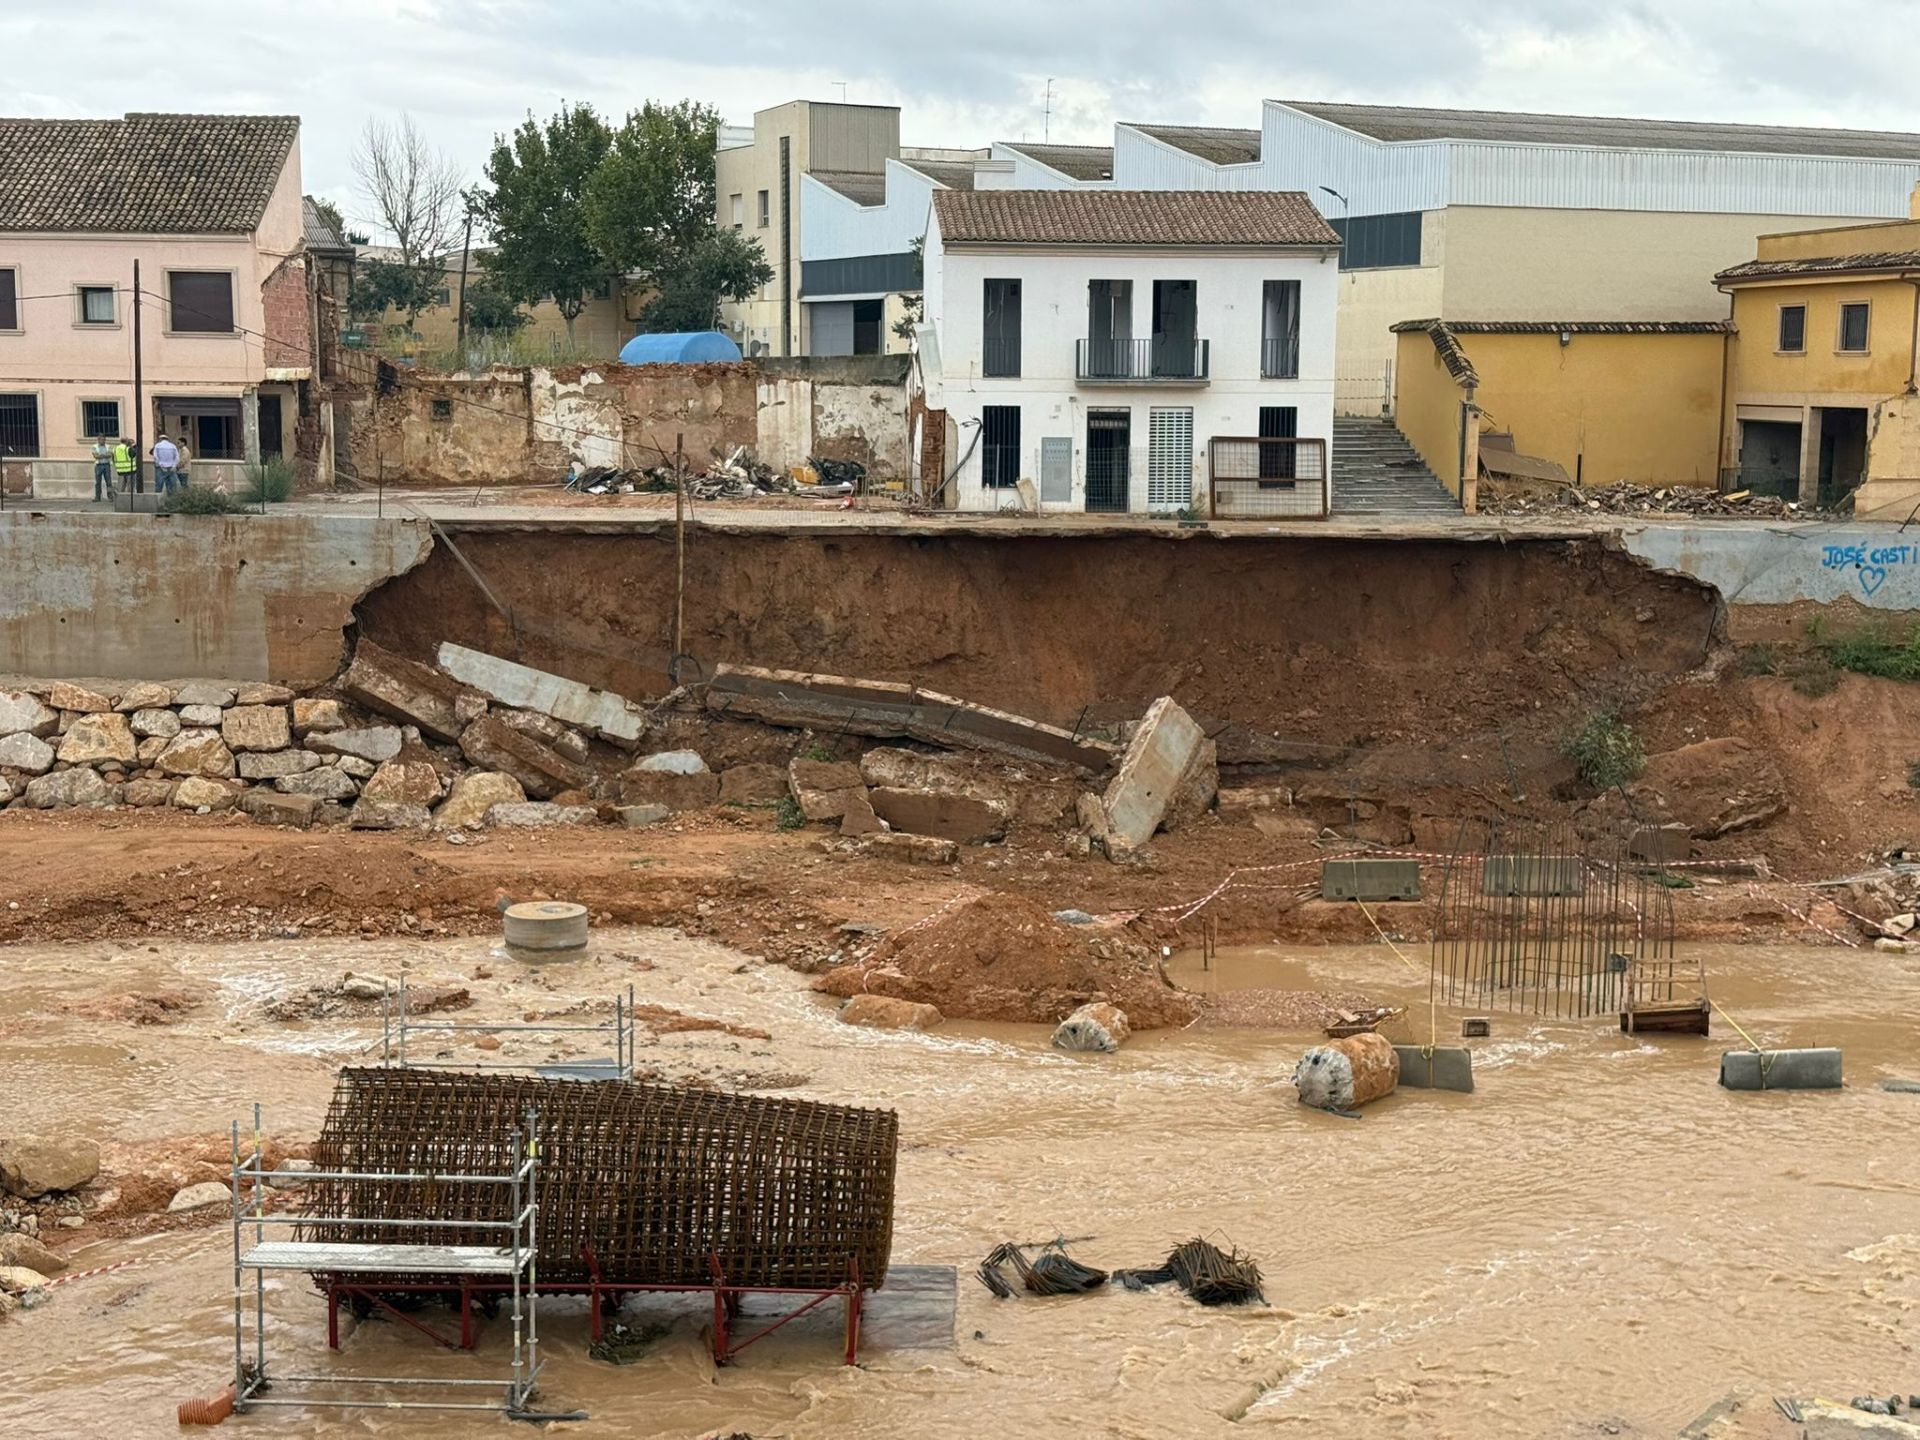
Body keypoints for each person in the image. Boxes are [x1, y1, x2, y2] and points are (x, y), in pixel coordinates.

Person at [90, 436, 114, 502]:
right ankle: (97, 497)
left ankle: (110, 496)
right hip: (98, 465)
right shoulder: (94, 447)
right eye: (101, 440)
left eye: (104, 440)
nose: (103, 441)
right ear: (98, 440)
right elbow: (95, 456)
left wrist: (101, 455)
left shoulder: (108, 446)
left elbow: (110, 455)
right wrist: (104, 455)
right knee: (98, 482)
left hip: (106, 465)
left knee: (109, 481)